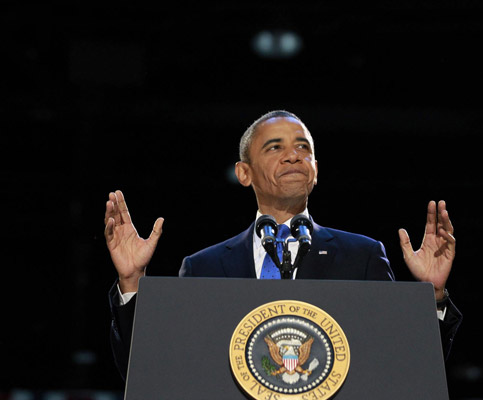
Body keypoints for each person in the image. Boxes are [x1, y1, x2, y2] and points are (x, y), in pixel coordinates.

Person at [104, 110, 462, 381]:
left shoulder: (362, 256)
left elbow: (405, 368)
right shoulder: (205, 267)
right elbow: (153, 370)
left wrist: (431, 297)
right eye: (275, 147)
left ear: (316, 169)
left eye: (303, 147)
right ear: (244, 173)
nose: (294, 156)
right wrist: (133, 283)